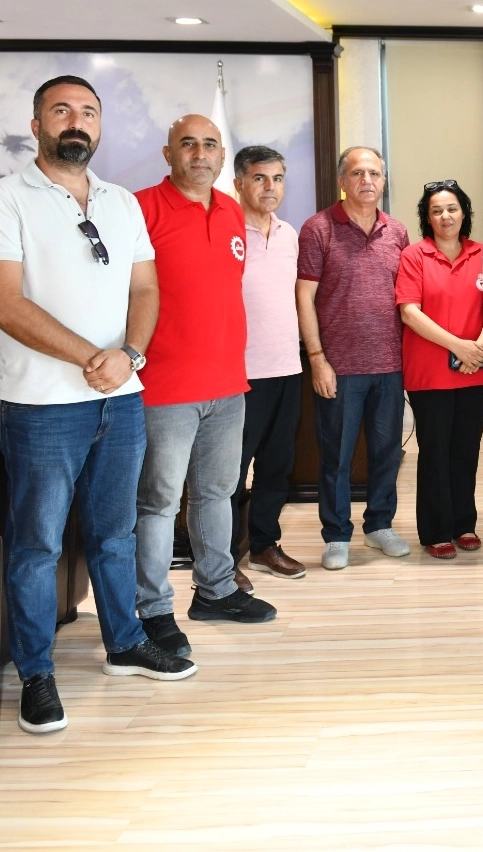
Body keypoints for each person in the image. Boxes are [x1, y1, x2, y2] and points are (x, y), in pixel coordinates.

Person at [0, 75, 196, 734]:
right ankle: (36, 672)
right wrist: (95, 356)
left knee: (116, 533)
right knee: (36, 545)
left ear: (100, 126)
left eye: (88, 111)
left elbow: (146, 288)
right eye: (61, 110)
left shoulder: (120, 202)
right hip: (41, 406)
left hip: (122, 400)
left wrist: (129, 355)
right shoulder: (9, 197)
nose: (76, 121)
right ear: (37, 126)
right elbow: (7, 304)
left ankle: (124, 643)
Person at [133, 114, 278, 658]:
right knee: (158, 504)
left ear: (221, 157)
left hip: (227, 384)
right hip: (163, 387)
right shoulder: (141, 208)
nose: (200, 153)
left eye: (210, 144)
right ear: (168, 153)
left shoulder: (232, 212)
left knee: (218, 493)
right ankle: (151, 610)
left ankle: (215, 591)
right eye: (188, 144)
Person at [297, 147, 411, 570]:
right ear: (342, 181)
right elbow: (304, 297)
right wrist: (317, 359)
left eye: (375, 174)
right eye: (358, 173)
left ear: (384, 181)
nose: (367, 181)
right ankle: (336, 534)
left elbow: (408, 298)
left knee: (386, 452)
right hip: (339, 367)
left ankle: (379, 524)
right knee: (336, 456)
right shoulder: (318, 228)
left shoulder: (397, 231)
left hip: (390, 365)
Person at [394, 180, 483, 558]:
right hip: (429, 372)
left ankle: (464, 523)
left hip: (474, 369)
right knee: (435, 451)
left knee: (466, 450)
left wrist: (478, 347)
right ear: (427, 217)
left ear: (464, 212)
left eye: (452, 208)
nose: (445, 216)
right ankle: (436, 530)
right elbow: (409, 312)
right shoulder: (414, 255)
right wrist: (458, 346)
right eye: (436, 210)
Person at [231, 145, 307, 585]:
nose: (270, 187)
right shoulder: (226, 231)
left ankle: (263, 545)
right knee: (231, 473)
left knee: (277, 465)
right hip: (240, 373)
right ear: (239, 183)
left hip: (286, 367)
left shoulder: (288, 233)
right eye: (259, 178)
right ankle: (223, 562)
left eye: (277, 178)